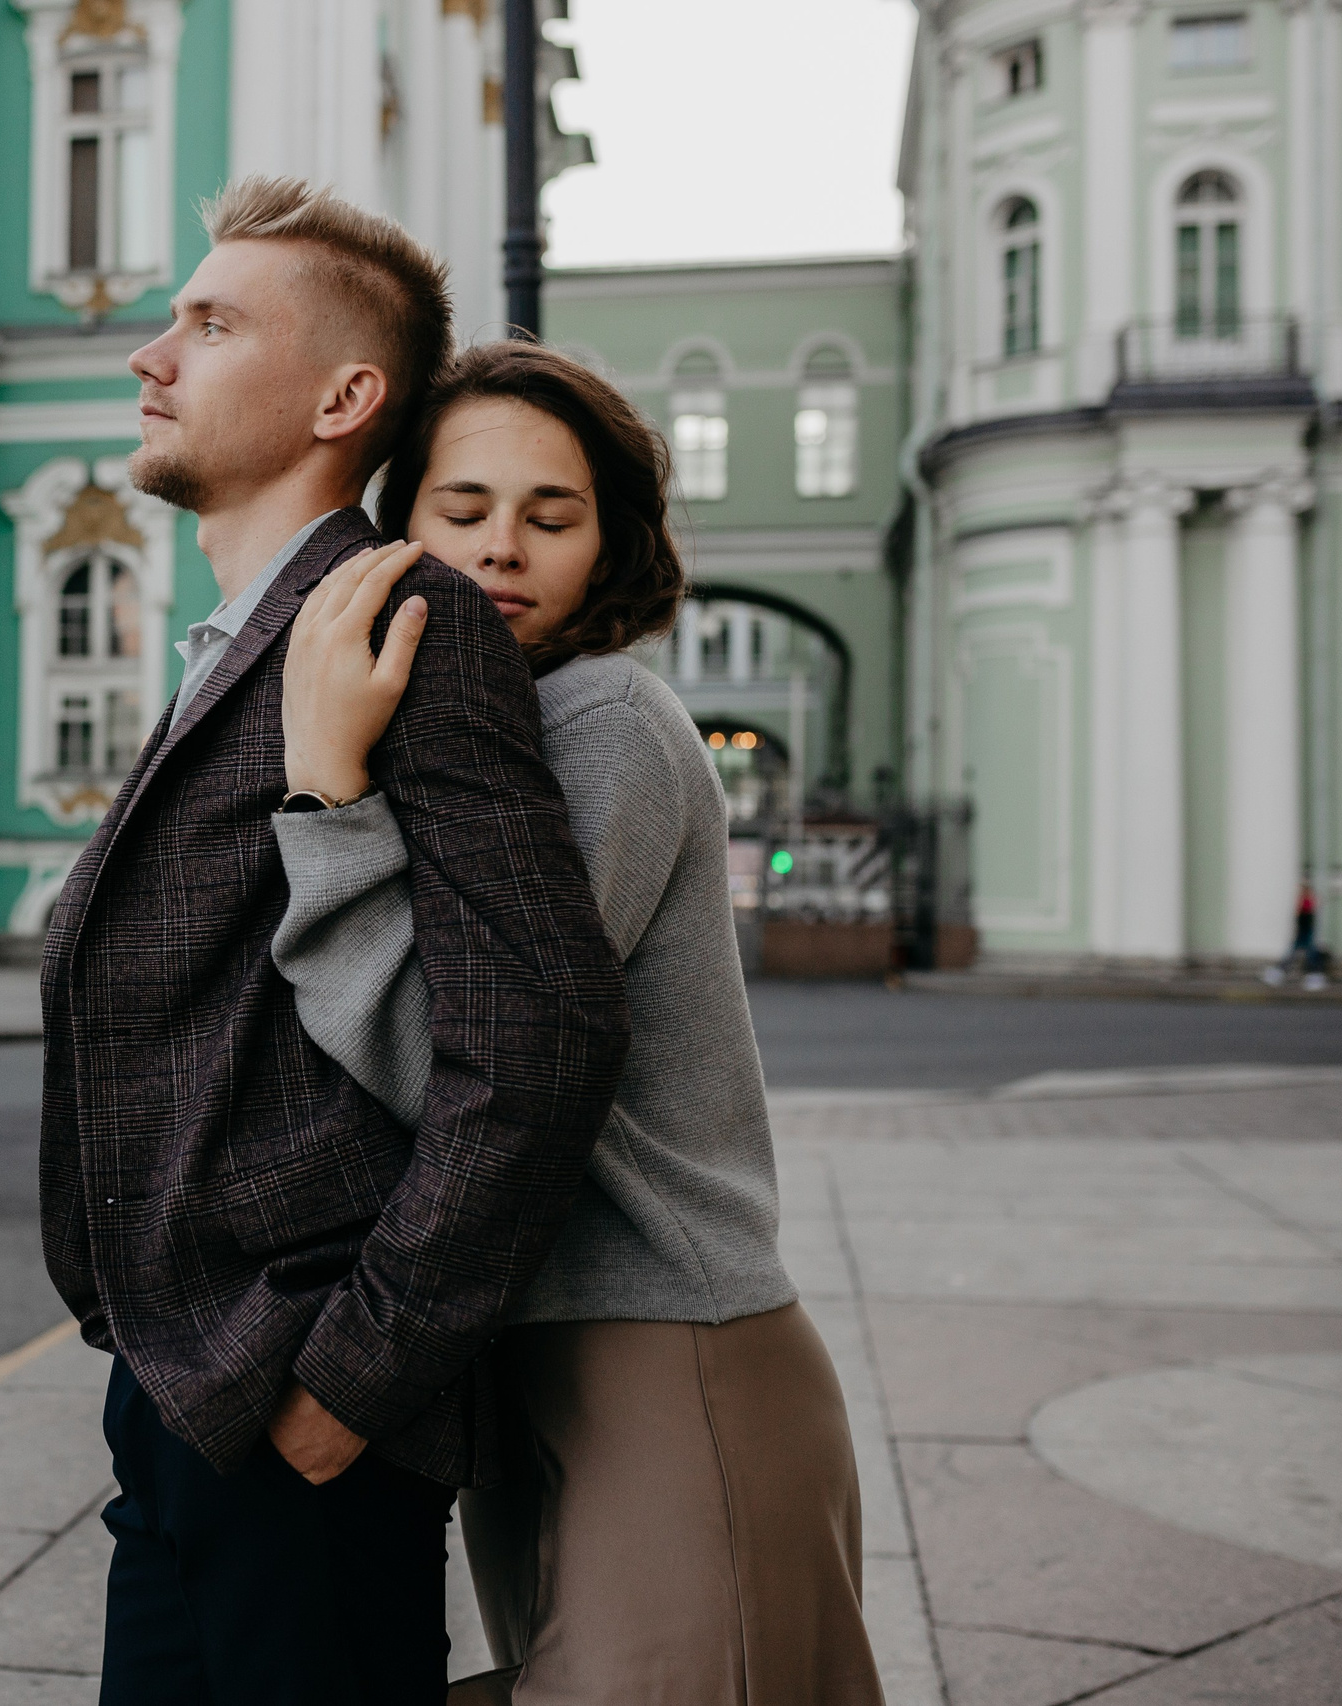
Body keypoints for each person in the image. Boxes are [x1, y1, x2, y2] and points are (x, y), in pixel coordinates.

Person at [38, 178, 631, 1706]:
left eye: (212, 322)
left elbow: (541, 1037)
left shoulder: (404, 621)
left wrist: (353, 1382)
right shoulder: (244, 637)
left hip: (296, 1404)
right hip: (180, 1392)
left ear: (345, 396)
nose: (149, 357)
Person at [272, 340, 883, 1704]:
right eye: (464, 508)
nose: (502, 549)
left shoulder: (597, 717)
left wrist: (325, 798)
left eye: (552, 517)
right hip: (546, 1346)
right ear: (400, 523)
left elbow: (458, 1053)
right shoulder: (472, 720)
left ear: (608, 549)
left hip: (668, 1346)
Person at [1261, 884, 1328, 992]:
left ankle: (1312, 976)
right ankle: (1281, 973)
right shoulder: (1306, 901)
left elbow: (1305, 918)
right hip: (1304, 931)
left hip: (1305, 931)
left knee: (1306, 955)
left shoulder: (1307, 901)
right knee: (1301, 954)